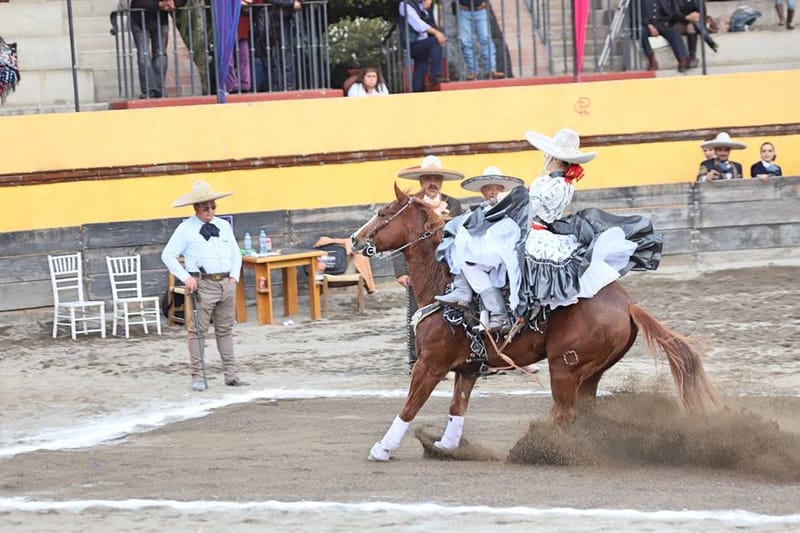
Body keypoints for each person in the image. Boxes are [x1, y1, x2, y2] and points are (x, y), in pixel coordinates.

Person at [436, 128, 661, 332]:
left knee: (469, 249)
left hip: (532, 233)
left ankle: (496, 311)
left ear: (553, 157)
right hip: (539, 230)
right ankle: (476, 300)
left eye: (547, 154)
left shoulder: (550, 183)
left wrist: (502, 199)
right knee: (477, 250)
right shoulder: (563, 184)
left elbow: (527, 206)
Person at [162, 180, 248, 392]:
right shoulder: (186, 228)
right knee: (197, 331)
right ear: (196, 208)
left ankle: (231, 374)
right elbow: (168, 255)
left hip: (226, 282)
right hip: (203, 283)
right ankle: (198, 375)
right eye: (205, 207)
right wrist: (185, 277)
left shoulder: (224, 226)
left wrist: (234, 277)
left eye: (213, 206)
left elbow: (235, 253)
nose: (210, 210)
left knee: (225, 329)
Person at [395, 155, 464, 368]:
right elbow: (400, 237)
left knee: (449, 311)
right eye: (428, 179)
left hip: (446, 267)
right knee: (418, 311)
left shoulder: (453, 204)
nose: (432, 183)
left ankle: (448, 358)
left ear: (442, 181)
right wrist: (401, 271)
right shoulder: (410, 207)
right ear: (421, 182)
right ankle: (417, 359)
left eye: (436, 179)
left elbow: (460, 235)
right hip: (419, 268)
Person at [641, 0, 717, 72]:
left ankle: (682, 59)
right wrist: (648, 24)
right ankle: (651, 58)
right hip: (645, 25)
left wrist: (667, 20)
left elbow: (669, 11)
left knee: (674, 32)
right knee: (641, 31)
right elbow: (635, 14)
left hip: (662, 23)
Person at [398, 0, 449, 92]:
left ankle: (417, 92)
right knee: (435, 42)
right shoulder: (405, 5)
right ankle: (435, 75)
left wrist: (427, 9)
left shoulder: (422, 5)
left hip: (422, 42)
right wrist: (436, 33)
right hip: (413, 44)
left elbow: (432, 22)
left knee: (421, 64)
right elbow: (418, 24)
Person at [130, 0, 176, 98]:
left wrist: (173, 2)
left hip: (160, 19)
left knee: (160, 54)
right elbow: (138, 3)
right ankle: (150, 89)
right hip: (140, 20)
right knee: (145, 54)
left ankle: (158, 88)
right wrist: (160, 4)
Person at [457, 0, 504, 80]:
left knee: (486, 39)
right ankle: (473, 71)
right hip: (464, 10)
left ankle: (491, 70)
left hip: (480, 10)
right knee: (466, 42)